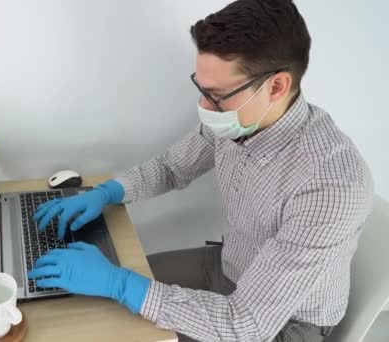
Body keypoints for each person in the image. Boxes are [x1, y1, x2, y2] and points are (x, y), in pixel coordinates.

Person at [27, 0, 373, 341]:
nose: (204, 107)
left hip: (284, 324)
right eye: (201, 89)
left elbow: (247, 326)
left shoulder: (330, 186)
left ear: (276, 86)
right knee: (89, 304)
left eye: (216, 95)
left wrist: (120, 284)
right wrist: (107, 192)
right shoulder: (239, 120)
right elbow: (172, 166)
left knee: (121, 319)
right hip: (230, 265)